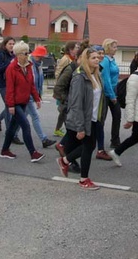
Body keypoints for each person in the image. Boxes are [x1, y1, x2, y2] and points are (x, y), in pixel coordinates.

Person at [56, 47, 105, 190]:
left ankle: (65, 161)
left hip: (94, 118)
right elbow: (76, 104)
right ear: (86, 59)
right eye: (93, 58)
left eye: (98, 57)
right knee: (88, 147)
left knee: (89, 146)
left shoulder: (97, 75)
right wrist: (80, 127)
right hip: (84, 119)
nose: (97, 59)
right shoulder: (79, 77)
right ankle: (83, 179)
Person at [107, 53, 138, 171]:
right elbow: (130, 99)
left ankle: (116, 152)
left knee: (136, 137)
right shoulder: (135, 77)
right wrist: (130, 118)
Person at [0, 41, 45, 162]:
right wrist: (11, 105)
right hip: (15, 103)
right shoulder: (11, 68)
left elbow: (31, 85)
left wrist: (37, 98)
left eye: (28, 52)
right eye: (25, 53)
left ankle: (4, 150)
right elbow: (10, 88)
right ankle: (33, 153)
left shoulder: (28, 66)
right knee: (26, 125)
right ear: (18, 54)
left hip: (24, 101)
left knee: (12, 128)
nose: (28, 55)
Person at [0, 37, 21, 144]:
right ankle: (10, 134)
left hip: (12, 84)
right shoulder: (1, 55)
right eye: (10, 44)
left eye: (13, 44)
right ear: (5, 45)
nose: (12, 45)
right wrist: (10, 63)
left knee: (10, 106)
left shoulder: (13, 55)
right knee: (10, 107)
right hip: (3, 84)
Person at [53, 41, 80, 137]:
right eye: (76, 47)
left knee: (63, 111)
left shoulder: (73, 59)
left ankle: (58, 129)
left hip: (67, 89)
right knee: (63, 110)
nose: (78, 49)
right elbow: (59, 71)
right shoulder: (65, 59)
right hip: (63, 89)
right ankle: (65, 130)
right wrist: (59, 83)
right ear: (70, 49)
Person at [100, 38, 122, 150]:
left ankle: (115, 140)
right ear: (108, 47)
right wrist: (112, 95)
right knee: (102, 118)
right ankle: (99, 142)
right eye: (114, 47)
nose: (116, 49)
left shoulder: (112, 60)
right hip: (107, 93)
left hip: (114, 90)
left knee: (117, 116)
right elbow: (106, 79)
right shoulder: (105, 60)